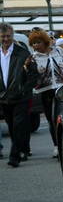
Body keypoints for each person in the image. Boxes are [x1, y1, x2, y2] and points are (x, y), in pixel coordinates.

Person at [29, 28, 63, 158]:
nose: (36, 45)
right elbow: (31, 76)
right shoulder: (33, 57)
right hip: (44, 90)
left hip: (61, 88)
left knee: (59, 117)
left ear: (45, 41)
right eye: (33, 43)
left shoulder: (59, 51)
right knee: (50, 119)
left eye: (38, 42)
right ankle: (57, 146)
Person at [0, 22, 38, 167]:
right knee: (11, 126)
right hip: (4, 97)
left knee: (18, 125)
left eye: (8, 36)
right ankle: (21, 148)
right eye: (3, 36)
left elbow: (33, 74)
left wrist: (24, 90)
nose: (5, 39)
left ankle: (14, 156)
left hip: (20, 96)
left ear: (12, 36)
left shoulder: (22, 52)